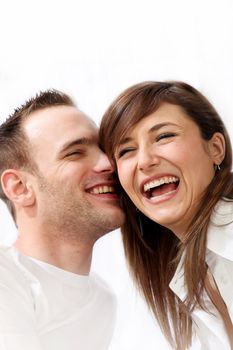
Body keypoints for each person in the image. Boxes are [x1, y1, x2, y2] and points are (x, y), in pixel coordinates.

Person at [99, 81, 233, 350]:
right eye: (126, 151)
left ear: (215, 149)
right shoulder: (190, 274)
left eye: (163, 137)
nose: (145, 161)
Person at [0, 89, 124, 350]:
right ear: (19, 187)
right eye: (75, 153)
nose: (108, 163)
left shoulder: (104, 301)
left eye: (104, 149)